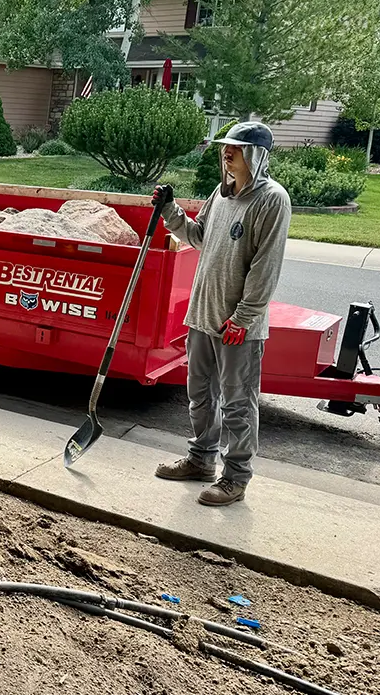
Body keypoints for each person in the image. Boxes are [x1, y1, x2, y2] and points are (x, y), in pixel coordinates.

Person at [151, 122, 291, 506]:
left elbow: (266, 267)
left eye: (237, 148)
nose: (228, 153)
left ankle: (236, 478)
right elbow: (198, 236)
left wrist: (243, 318)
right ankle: (200, 461)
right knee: (199, 395)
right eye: (226, 147)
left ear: (256, 156)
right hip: (203, 315)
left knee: (237, 403)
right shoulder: (222, 193)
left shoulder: (272, 200)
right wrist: (170, 210)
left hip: (237, 327)